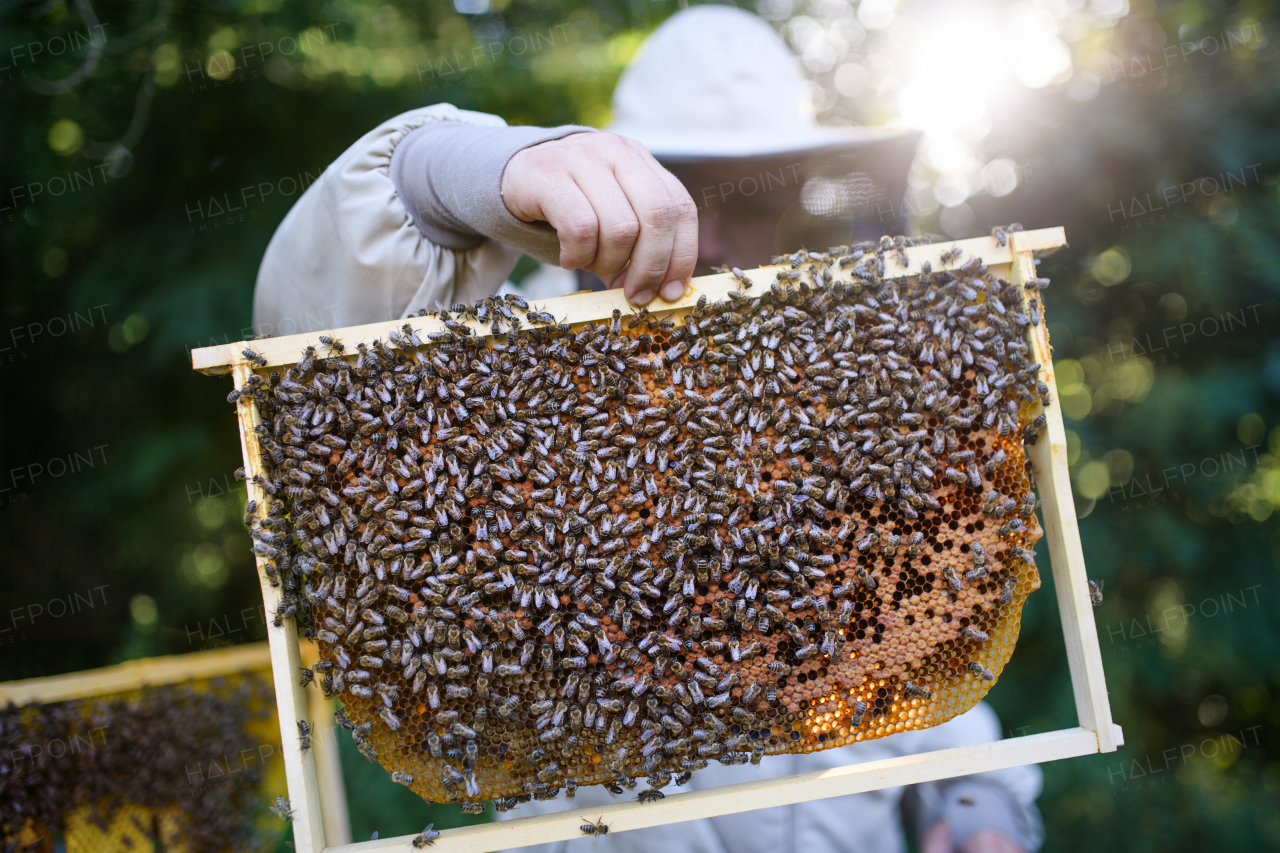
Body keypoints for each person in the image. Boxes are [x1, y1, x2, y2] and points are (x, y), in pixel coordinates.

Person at [253, 7, 1044, 853]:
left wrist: (974, 804)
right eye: (692, 189)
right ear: (622, 180)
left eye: (761, 195)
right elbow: (313, 360)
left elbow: (919, 632)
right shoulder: (510, 383)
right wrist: (447, 175)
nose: (723, 238)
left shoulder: (826, 404)